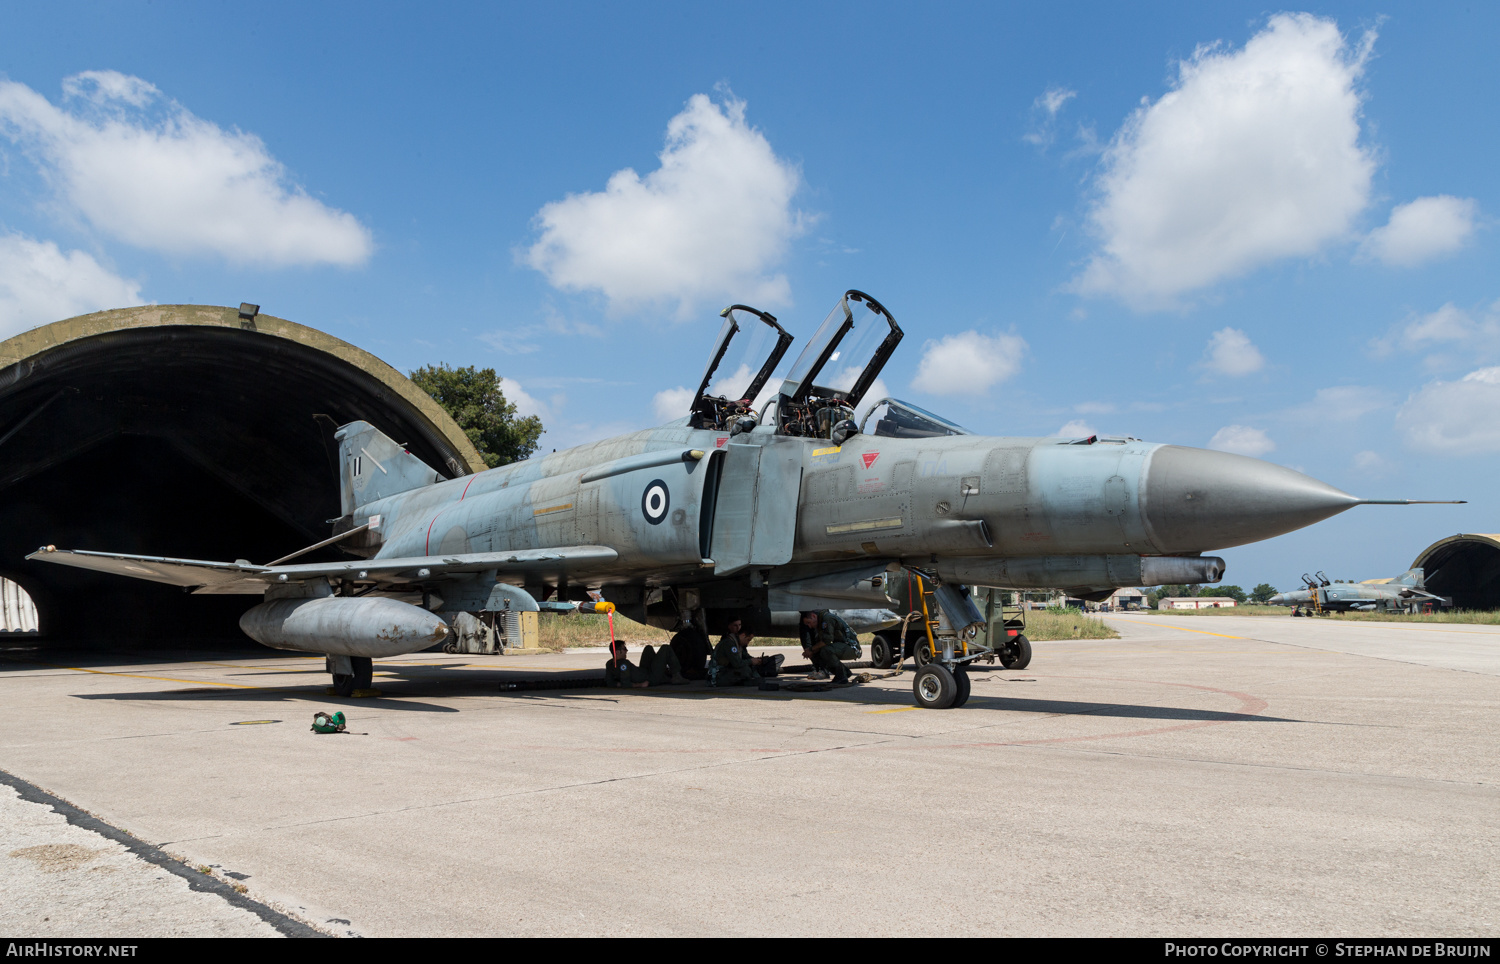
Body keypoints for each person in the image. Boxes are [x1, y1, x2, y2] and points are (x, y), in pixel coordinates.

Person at [603, 639, 687, 688]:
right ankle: (676, 676)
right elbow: (626, 683)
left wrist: (618, 684)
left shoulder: (609, 663)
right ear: (617, 652)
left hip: (645, 671)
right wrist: (640, 685)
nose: (626, 651)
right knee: (665, 648)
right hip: (651, 678)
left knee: (648, 648)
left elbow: (609, 682)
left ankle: (664, 672)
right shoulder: (624, 664)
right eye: (624, 649)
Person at [799, 611, 851, 683]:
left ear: (814, 616)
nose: (809, 626)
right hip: (845, 646)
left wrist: (811, 649)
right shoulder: (821, 619)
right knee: (821, 650)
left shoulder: (826, 619)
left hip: (851, 647)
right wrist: (811, 650)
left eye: (809, 622)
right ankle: (845, 672)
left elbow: (827, 640)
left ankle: (841, 676)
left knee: (825, 650)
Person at [714, 617, 768, 686]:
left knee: (750, 668)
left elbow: (745, 656)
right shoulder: (730, 644)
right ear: (743, 635)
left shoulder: (737, 643)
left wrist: (757, 660)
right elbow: (737, 663)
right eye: (748, 640)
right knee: (745, 670)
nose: (747, 643)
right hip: (717, 676)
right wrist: (751, 661)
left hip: (724, 672)